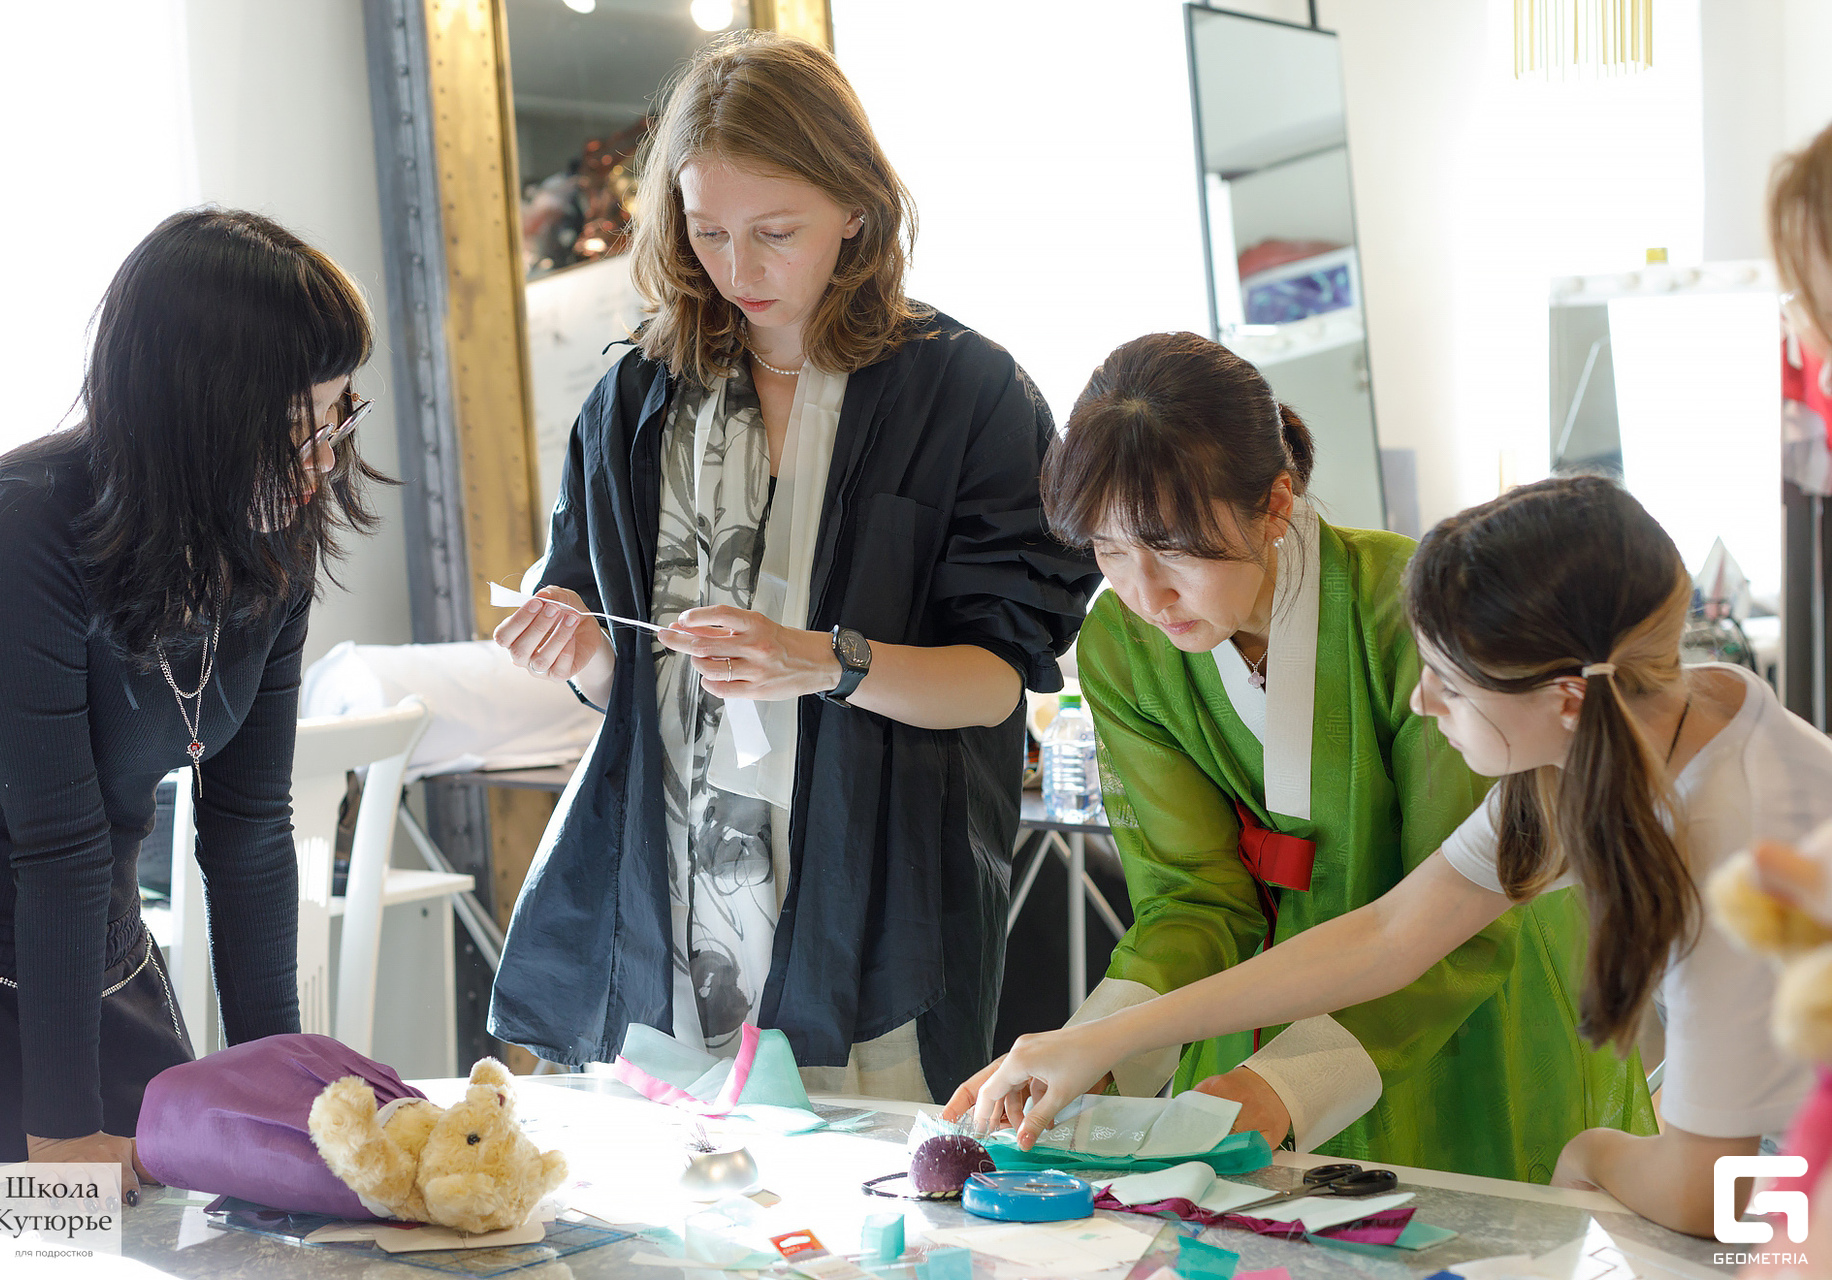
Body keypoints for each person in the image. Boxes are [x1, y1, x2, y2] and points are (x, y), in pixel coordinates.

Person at [958, 475, 1822, 1236]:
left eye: (1451, 681)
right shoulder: (1630, 725)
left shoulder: (1734, 846)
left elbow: (1709, 1193)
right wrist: (1100, 1040)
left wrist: (1590, 1153)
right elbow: (1390, 935)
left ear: (1565, 696)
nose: (1421, 702)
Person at [486, 31, 1097, 1103]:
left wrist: (823, 661)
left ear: (855, 206)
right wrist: (578, 649)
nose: (739, 269)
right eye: (708, 230)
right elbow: (625, 685)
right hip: (664, 909)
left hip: (875, 909)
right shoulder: (634, 402)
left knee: (872, 1194)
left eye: (776, 232)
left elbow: (996, 681)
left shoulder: (969, 398)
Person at [951, 334, 1649, 1182]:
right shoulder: (1119, 648)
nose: (1145, 593)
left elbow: (1445, 916)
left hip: (1456, 992)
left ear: (1275, 503)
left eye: (1174, 547)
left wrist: (1290, 1081)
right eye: (1108, 550)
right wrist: (1093, 1052)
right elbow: (1193, 898)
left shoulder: (1413, 613)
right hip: (1258, 1003)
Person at [0, 209, 388, 1193]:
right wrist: (60, 1135)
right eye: (291, 427)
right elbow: (58, 846)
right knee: (58, 1236)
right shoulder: (16, 536)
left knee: (220, 1213)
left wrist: (286, 1086)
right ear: (189, 412)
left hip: (102, 954)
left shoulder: (274, 539)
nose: (323, 458)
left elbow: (250, 830)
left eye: (338, 413)